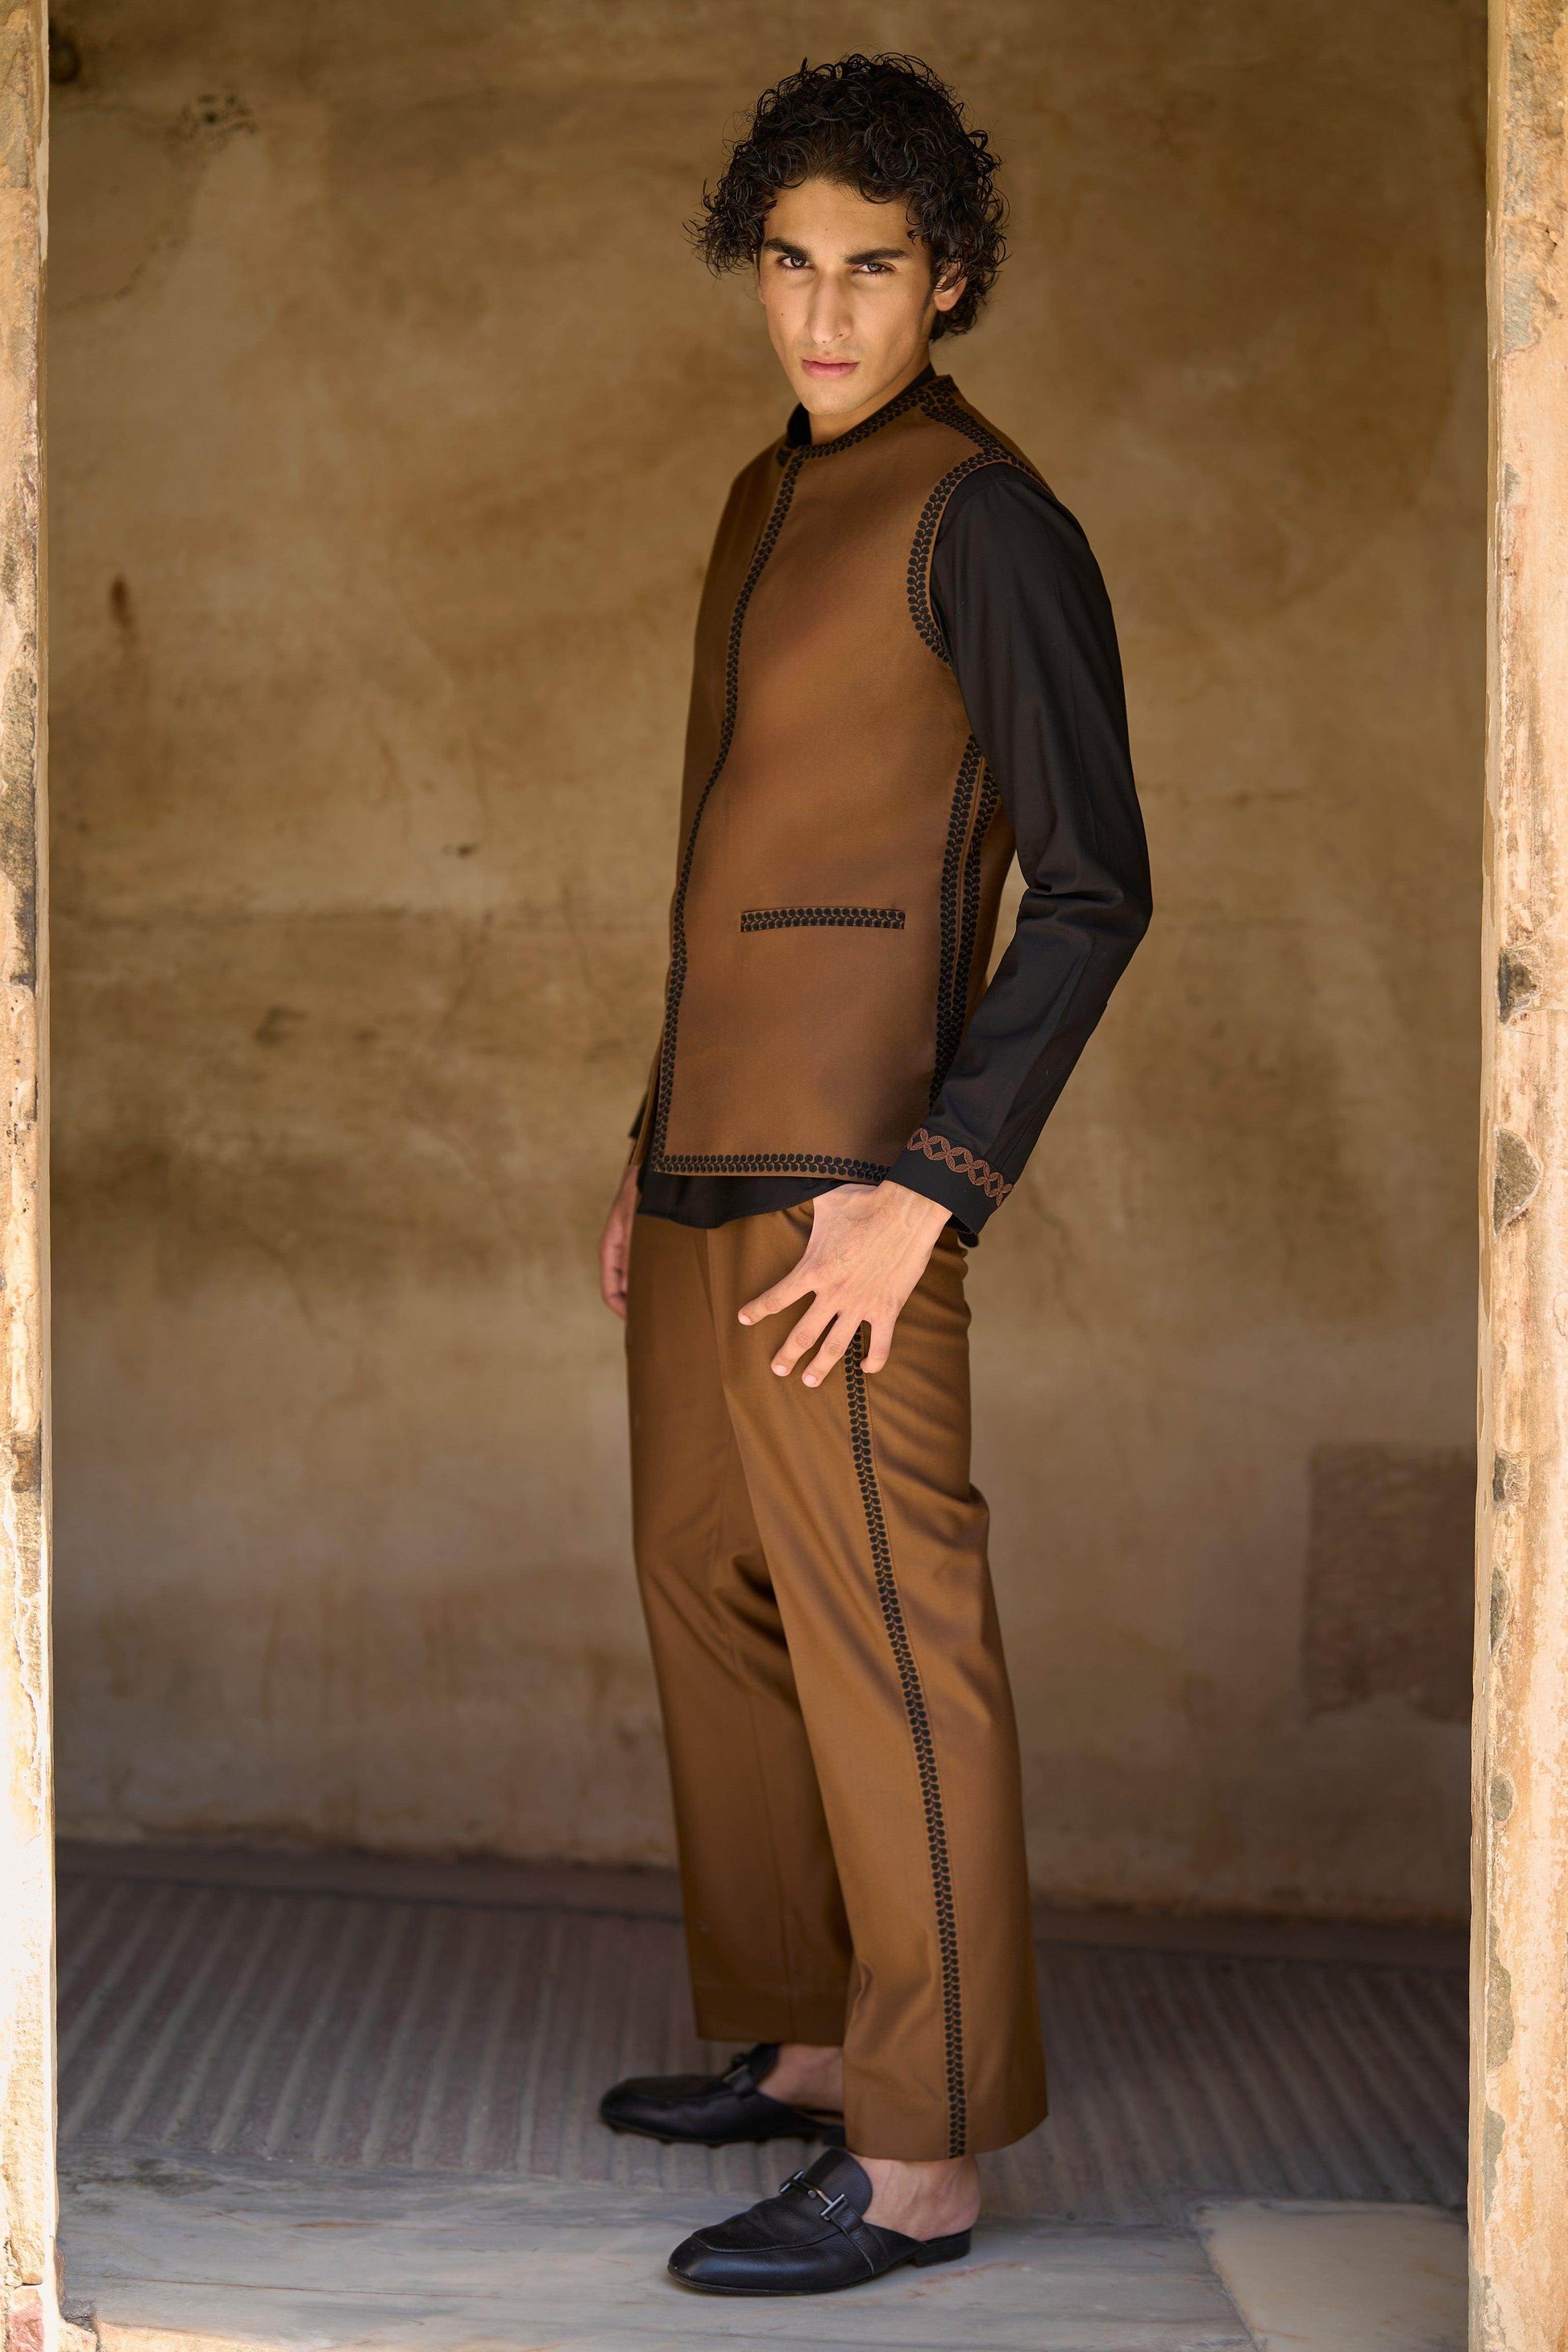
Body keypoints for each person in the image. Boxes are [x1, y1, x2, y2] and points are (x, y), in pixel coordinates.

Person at [595, 52, 1151, 2297]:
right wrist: (642, 1144)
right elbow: (719, 860)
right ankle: (815, 2040)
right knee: (701, 1585)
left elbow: (1096, 886)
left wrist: (933, 1182)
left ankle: (919, 2158)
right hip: (704, 1156)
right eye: (791, 263)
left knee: (889, 1646)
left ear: (951, 282)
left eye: (874, 269)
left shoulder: (983, 516)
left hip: (854, 1182)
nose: (825, 311)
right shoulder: (767, 492)